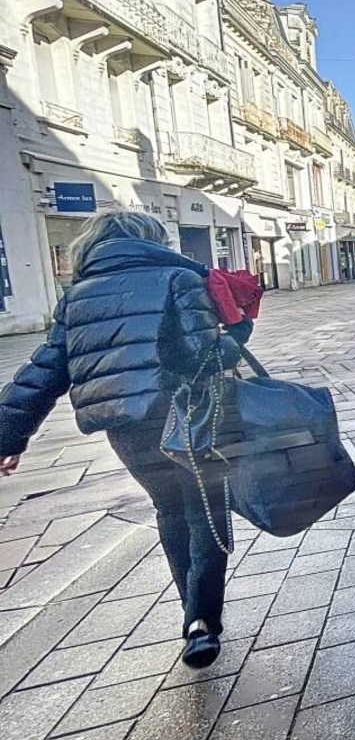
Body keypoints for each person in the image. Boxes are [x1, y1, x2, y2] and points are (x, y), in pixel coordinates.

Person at [0, 211, 245, 669]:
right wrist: (239, 326)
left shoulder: (76, 297)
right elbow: (207, 356)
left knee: (169, 509)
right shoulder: (178, 276)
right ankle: (202, 620)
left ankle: (191, 620)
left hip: (124, 429)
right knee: (206, 511)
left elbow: (43, 372)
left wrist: (8, 436)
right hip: (184, 417)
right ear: (151, 238)